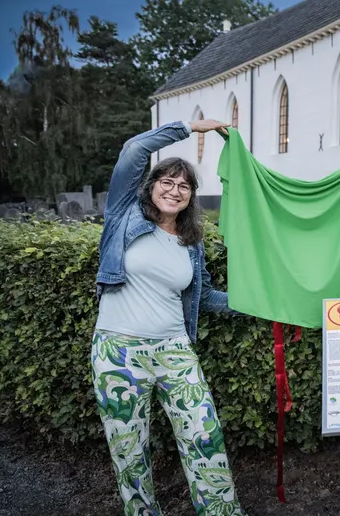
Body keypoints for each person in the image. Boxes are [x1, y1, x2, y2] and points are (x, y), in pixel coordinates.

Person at [91, 119, 248, 516]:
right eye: (167, 181)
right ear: (151, 185)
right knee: (129, 452)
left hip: (175, 350)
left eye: (184, 186)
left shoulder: (190, 244)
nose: (174, 190)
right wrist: (190, 127)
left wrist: (259, 301)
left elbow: (206, 296)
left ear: (191, 196)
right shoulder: (122, 215)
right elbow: (133, 151)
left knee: (204, 438)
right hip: (117, 352)